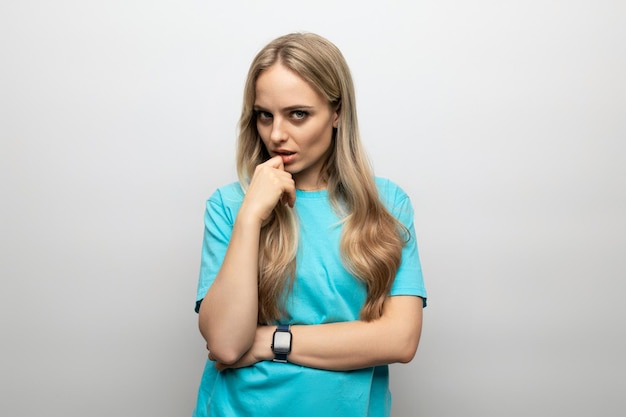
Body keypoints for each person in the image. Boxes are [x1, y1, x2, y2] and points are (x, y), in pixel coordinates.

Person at [193, 32, 427, 417]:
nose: (276, 135)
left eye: (297, 114)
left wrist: (271, 341)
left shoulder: (387, 204)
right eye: (264, 115)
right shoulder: (229, 205)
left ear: (337, 113)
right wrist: (251, 216)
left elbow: (400, 339)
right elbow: (225, 343)